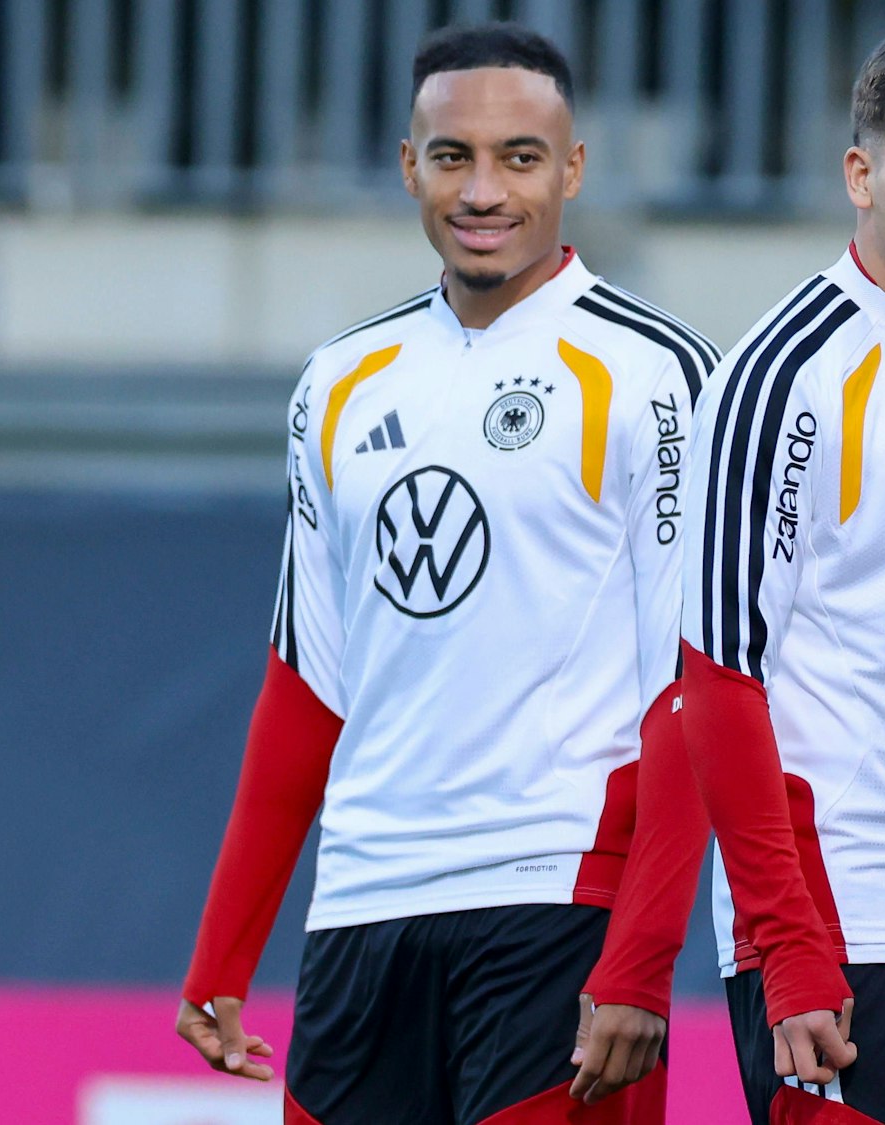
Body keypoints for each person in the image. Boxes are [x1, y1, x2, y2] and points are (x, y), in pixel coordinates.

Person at [172, 23, 716, 1125]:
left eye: (520, 157)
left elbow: (695, 692)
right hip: (363, 907)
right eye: (452, 156)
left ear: (572, 168)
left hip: (555, 897)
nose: (483, 191)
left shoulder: (660, 375)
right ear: (407, 164)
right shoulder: (339, 382)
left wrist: (641, 954)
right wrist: (223, 949)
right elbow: (307, 687)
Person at [576, 22, 885, 1125]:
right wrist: (790, 946)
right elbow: (717, 682)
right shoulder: (777, 376)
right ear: (859, 175)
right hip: (843, 941)